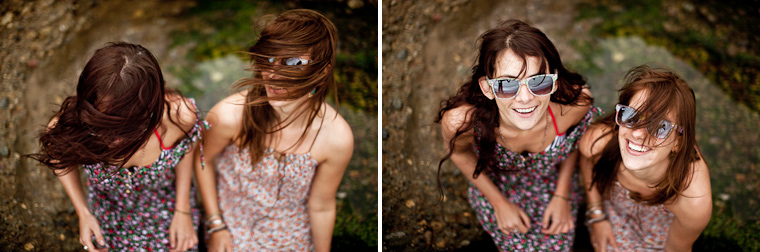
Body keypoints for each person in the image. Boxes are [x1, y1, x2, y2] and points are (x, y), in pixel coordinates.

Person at [193, 9, 353, 252]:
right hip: (233, 224)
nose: (273, 74)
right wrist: (215, 224)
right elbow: (202, 160)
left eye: (293, 63)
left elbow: (321, 205)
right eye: (268, 58)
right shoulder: (229, 116)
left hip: (291, 231)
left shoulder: (336, 139)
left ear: (321, 71)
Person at [436, 19, 597, 251]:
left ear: (554, 80)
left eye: (538, 81)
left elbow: (574, 143)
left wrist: (562, 196)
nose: (524, 98)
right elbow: (460, 154)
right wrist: (499, 203)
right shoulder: (463, 122)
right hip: (497, 185)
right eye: (506, 85)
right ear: (487, 88)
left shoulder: (576, 104)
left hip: (554, 181)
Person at [29, 42, 203, 251]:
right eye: (101, 122)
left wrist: (182, 210)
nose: (114, 139)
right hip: (108, 206)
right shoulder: (69, 127)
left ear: (151, 107)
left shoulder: (179, 117)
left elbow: (186, 150)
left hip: (164, 199)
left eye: (126, 126)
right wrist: (83, 213)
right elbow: (60, 159)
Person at [578, 65, 711, 251]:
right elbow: (587, 161)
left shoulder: (692, 199)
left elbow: (676, 248)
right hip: (611, 215)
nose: (639, 134)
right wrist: (596, 215)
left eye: (660, 127)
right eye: (631, 116)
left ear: (678, 142)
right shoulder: (597, 143)